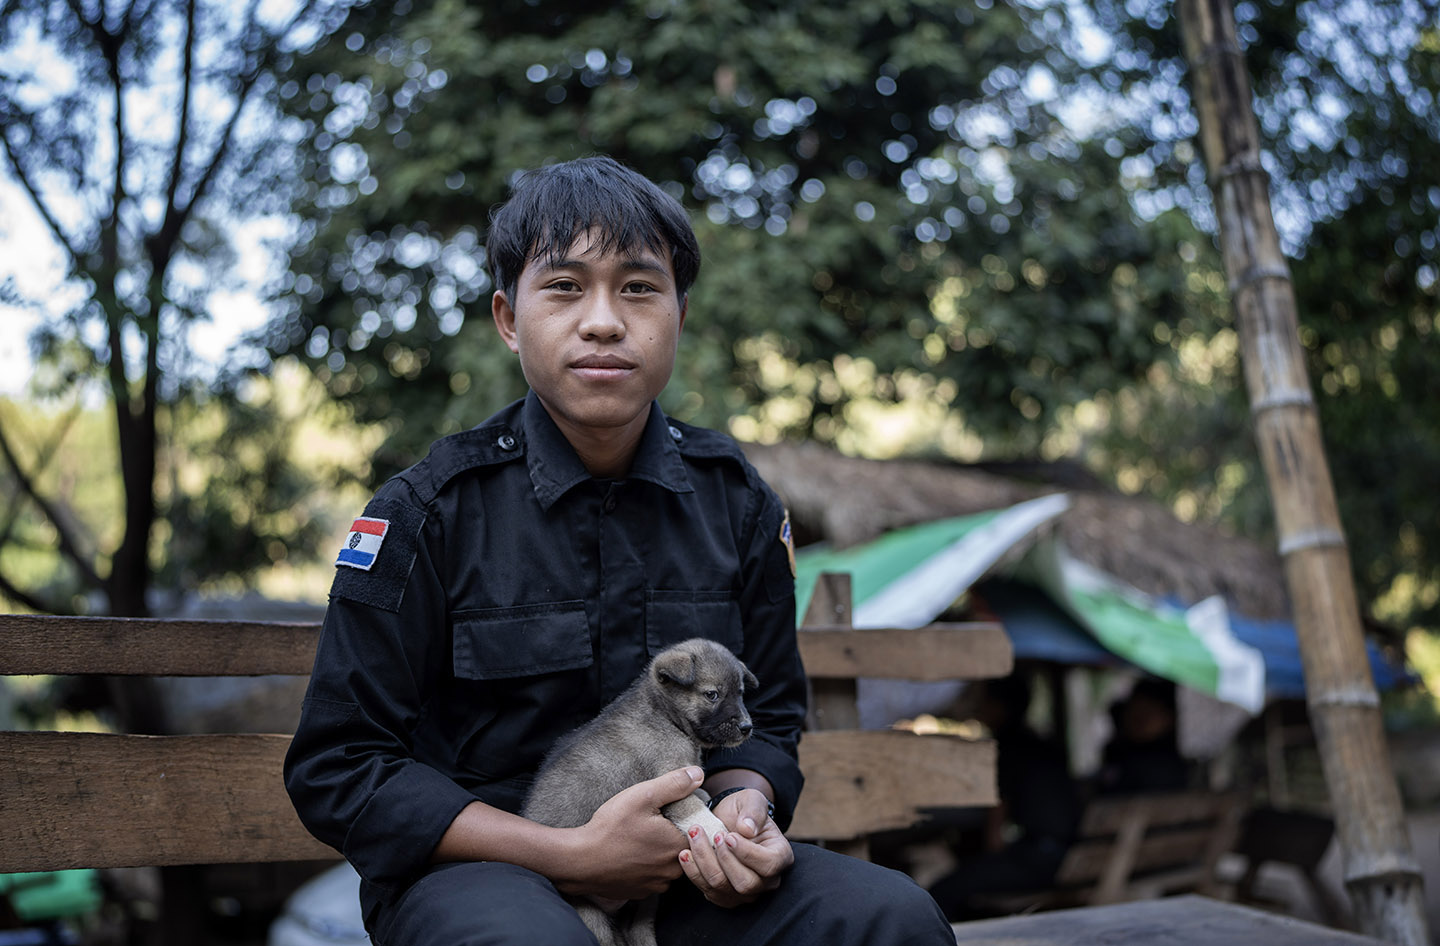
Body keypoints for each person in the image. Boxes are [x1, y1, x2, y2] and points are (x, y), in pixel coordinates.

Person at [283, 155, 954, 946]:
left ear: (679, 315)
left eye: (638, 287)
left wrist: (746, 809)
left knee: (892, 919)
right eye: (565, 287)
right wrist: (570, 855)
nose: (603, 321)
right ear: (508, 318)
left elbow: (770, 713)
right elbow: (342, 763)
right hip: (480, 876)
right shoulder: (430, 512)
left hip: (687, 867)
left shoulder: (735, 502)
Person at [927, 675, 1081, 921]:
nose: (979, 708)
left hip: (1040, 862)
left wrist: (991, 857)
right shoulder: (1042, 745)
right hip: (1070, 857)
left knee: (942, 892)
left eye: (984, 701)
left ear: (1000, 706)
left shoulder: (1008, 748)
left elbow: (995, 830)